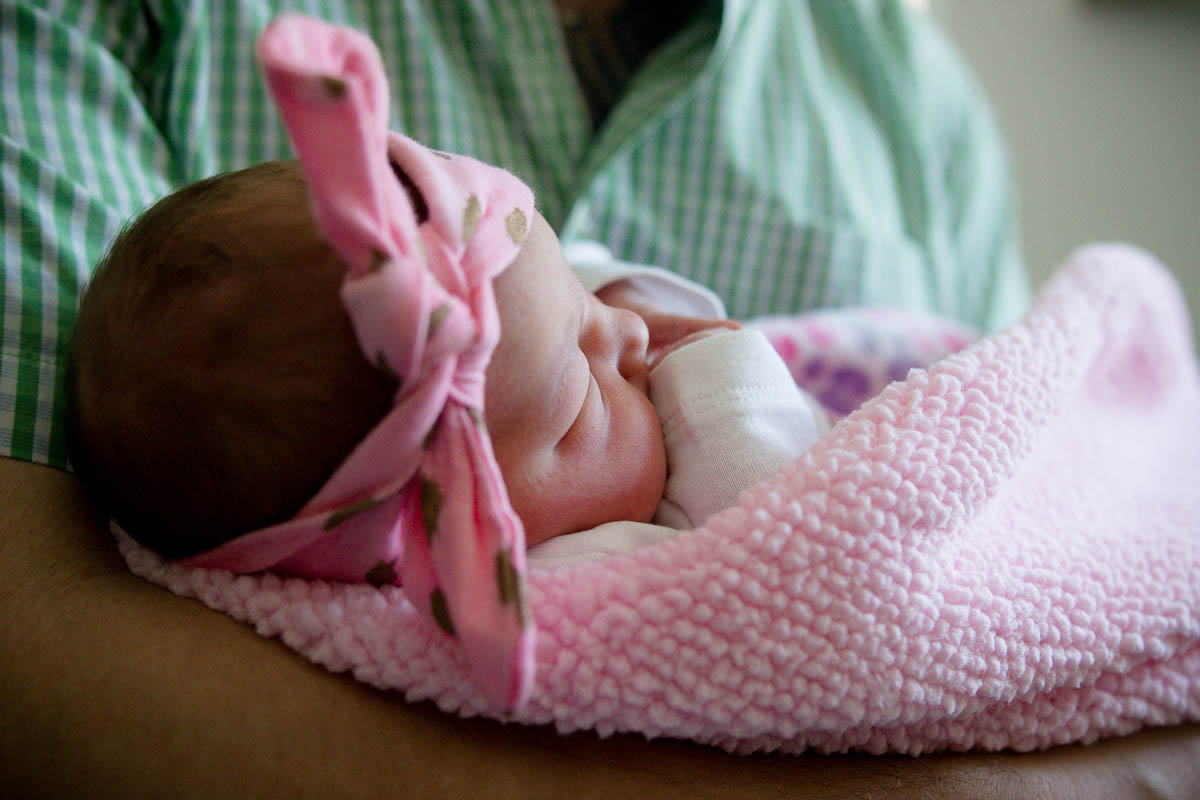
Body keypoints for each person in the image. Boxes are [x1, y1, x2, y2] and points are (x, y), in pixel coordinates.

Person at [3, 1, 1197, 796]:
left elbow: (1018, 490)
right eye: (575, 409)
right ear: (460, 545)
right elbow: (806, 546)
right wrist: (716, 365)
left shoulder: (904, 91)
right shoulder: (570, 590)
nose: (633, 329)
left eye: (581, 284)